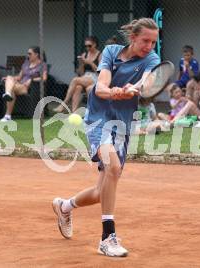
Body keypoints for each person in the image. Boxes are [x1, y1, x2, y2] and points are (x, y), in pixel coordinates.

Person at [52, 18, 160, 257]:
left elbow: (148, 82)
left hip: (121, 125)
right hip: (99, 119)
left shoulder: (151, 59)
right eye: (145, 41)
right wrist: (113, 92)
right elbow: (100, 87)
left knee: (103, 191)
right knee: (112, 168)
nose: (149, 46)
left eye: (153, 42)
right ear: (133, 37)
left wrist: (137, 87)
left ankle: (64, 206)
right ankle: (107, 238)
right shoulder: (111, 51)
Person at [53, 36, 102, 113]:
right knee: (78, 87)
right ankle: (74, 113)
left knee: (75, 80)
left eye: (89, 46)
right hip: (85, 76)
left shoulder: (100, 55)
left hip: (95, 77)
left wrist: (90, 63)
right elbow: (81, 73)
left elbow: (100, 72)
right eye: (85, 46)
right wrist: (81, 63)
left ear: (95, 44)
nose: (87, 48)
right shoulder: (85, 54)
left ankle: (64, 103)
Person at [0, 46, 48, 122]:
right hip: (19, 85)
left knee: (10, 88)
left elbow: (44, 78)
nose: (28, 55)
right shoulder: (25, 64)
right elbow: (19, 77)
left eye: (30, 53)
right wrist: (10, 78)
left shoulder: (42, 65)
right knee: (9, 78)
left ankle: (7, 115)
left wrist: (31, 79)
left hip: (28, 87)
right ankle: (8, 95)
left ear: (36, 54)